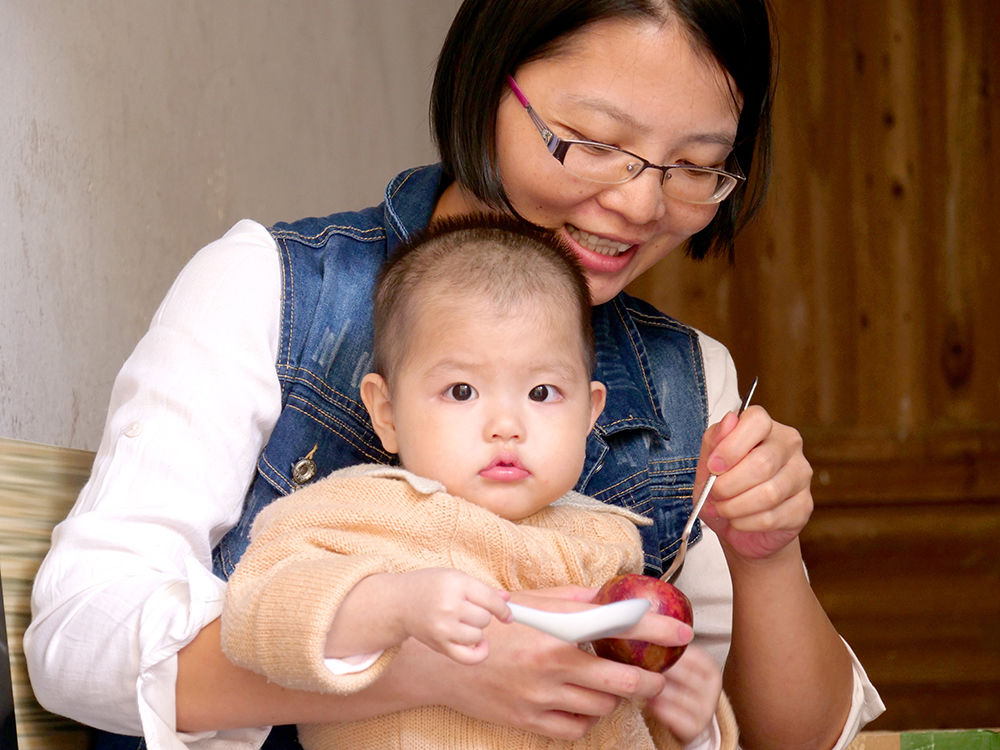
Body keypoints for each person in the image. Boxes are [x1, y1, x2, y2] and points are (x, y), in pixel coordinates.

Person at [25, 1, 885, 749]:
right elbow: (76, 641)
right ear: (486, 83)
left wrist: (766, 556)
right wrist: (421, 671)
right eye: (594, 141)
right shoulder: (276, 291)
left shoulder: (687, 382)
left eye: (696, 166)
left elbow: (800, 741)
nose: (639, 204)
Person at [220, 214, 739, 750]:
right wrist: (391, 606)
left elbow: (619, 720)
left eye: (542, 393)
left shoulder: (609, 544)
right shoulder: (355, 512)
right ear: (387, 412)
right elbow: (253, 612)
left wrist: (686, 719)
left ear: (590, 413)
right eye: (462, 391)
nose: (506, 426)